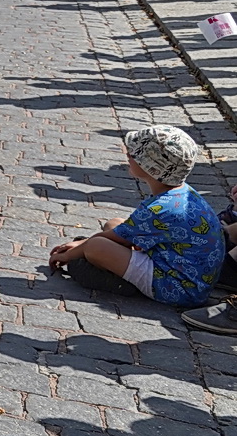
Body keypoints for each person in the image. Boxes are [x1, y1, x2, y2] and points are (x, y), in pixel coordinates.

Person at [50, 126, 225, 307]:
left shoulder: (160, 209)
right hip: (186, 275)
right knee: (114, 223)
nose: (127, 155)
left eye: (134, 154)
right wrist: (81, 244)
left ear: (151, 168)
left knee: (95, 247)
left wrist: (69, 255)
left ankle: (122, 282)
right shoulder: (183, 192)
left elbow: (109, 241)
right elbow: (120, 233)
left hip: (176, 287)